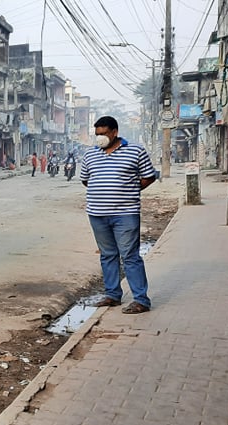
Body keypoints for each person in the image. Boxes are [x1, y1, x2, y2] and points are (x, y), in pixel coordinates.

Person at [81, 116, 156, 314]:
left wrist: (128, 190)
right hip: (97, 214)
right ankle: (113, 295)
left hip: (126, 214)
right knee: (107, 255)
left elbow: (149, 176)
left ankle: (141, 300)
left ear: (115, 132)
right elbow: (86, 180)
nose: (100, 138)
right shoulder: (90, 154)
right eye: (97, 135)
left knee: (130, 256)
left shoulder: (135, 151)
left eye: (104, 134)